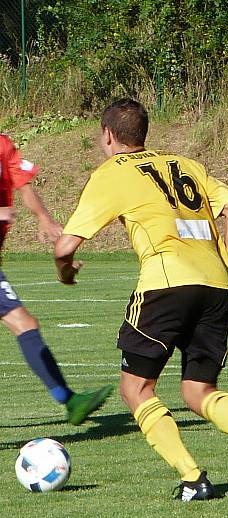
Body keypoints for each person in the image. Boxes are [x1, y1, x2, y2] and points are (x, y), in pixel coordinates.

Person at [53, 99, 228, 501]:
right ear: (143, 133)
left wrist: (66, 273)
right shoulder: (184, 165)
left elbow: (64, 247)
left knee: (136, 390)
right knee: (198, 391)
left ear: (107, 135)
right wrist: (224, 263)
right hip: (215, 286)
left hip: (165, 283)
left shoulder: (111, 174)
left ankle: (193, 479)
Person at [0, 133, 112, 424]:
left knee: (24, 323)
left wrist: (44, 217)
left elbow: (23, 184)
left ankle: (69, 400)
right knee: (22, 322)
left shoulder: (3, 144)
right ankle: (69, 399)